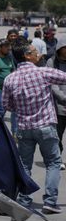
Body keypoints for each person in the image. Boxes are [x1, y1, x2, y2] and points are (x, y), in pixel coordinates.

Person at [3, 40, 66, 213]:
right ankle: (50, 202)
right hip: (45, 126)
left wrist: (21, 107)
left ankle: (24, 200)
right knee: (53, 162)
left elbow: (6, 105)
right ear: (27, 56)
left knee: (25, 165)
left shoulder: (10, 78)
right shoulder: (43, 73)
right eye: (34, 51)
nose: (38, 53)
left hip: (24, 128)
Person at [47, 38, 66, 169]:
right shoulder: (51, 62)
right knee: (57, 135)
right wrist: (63, 98)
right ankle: (58, 158)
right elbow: (52, 84)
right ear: (60, 49)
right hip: (58, 106)